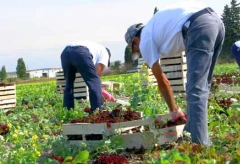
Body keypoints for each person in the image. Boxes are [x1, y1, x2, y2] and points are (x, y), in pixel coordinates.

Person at [125, 4, 225, 146]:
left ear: (135, 40)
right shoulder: (155, 27)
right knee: (203, 85)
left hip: (198, 26)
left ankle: (200, 146)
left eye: (135, 48)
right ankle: (191, 133)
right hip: (216, 22)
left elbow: (162, 81)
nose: (138, 51)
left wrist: (174, 110)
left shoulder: (145, 40)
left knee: (195, 89)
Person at [60, 40, 115, 112]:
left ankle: (67, 113)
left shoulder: (95, 48)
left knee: (69, 85)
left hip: (65, 53)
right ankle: (98, 113)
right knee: (95, 83)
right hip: (80, 52)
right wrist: (101, 91)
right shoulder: (105, 53)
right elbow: (96, 75)